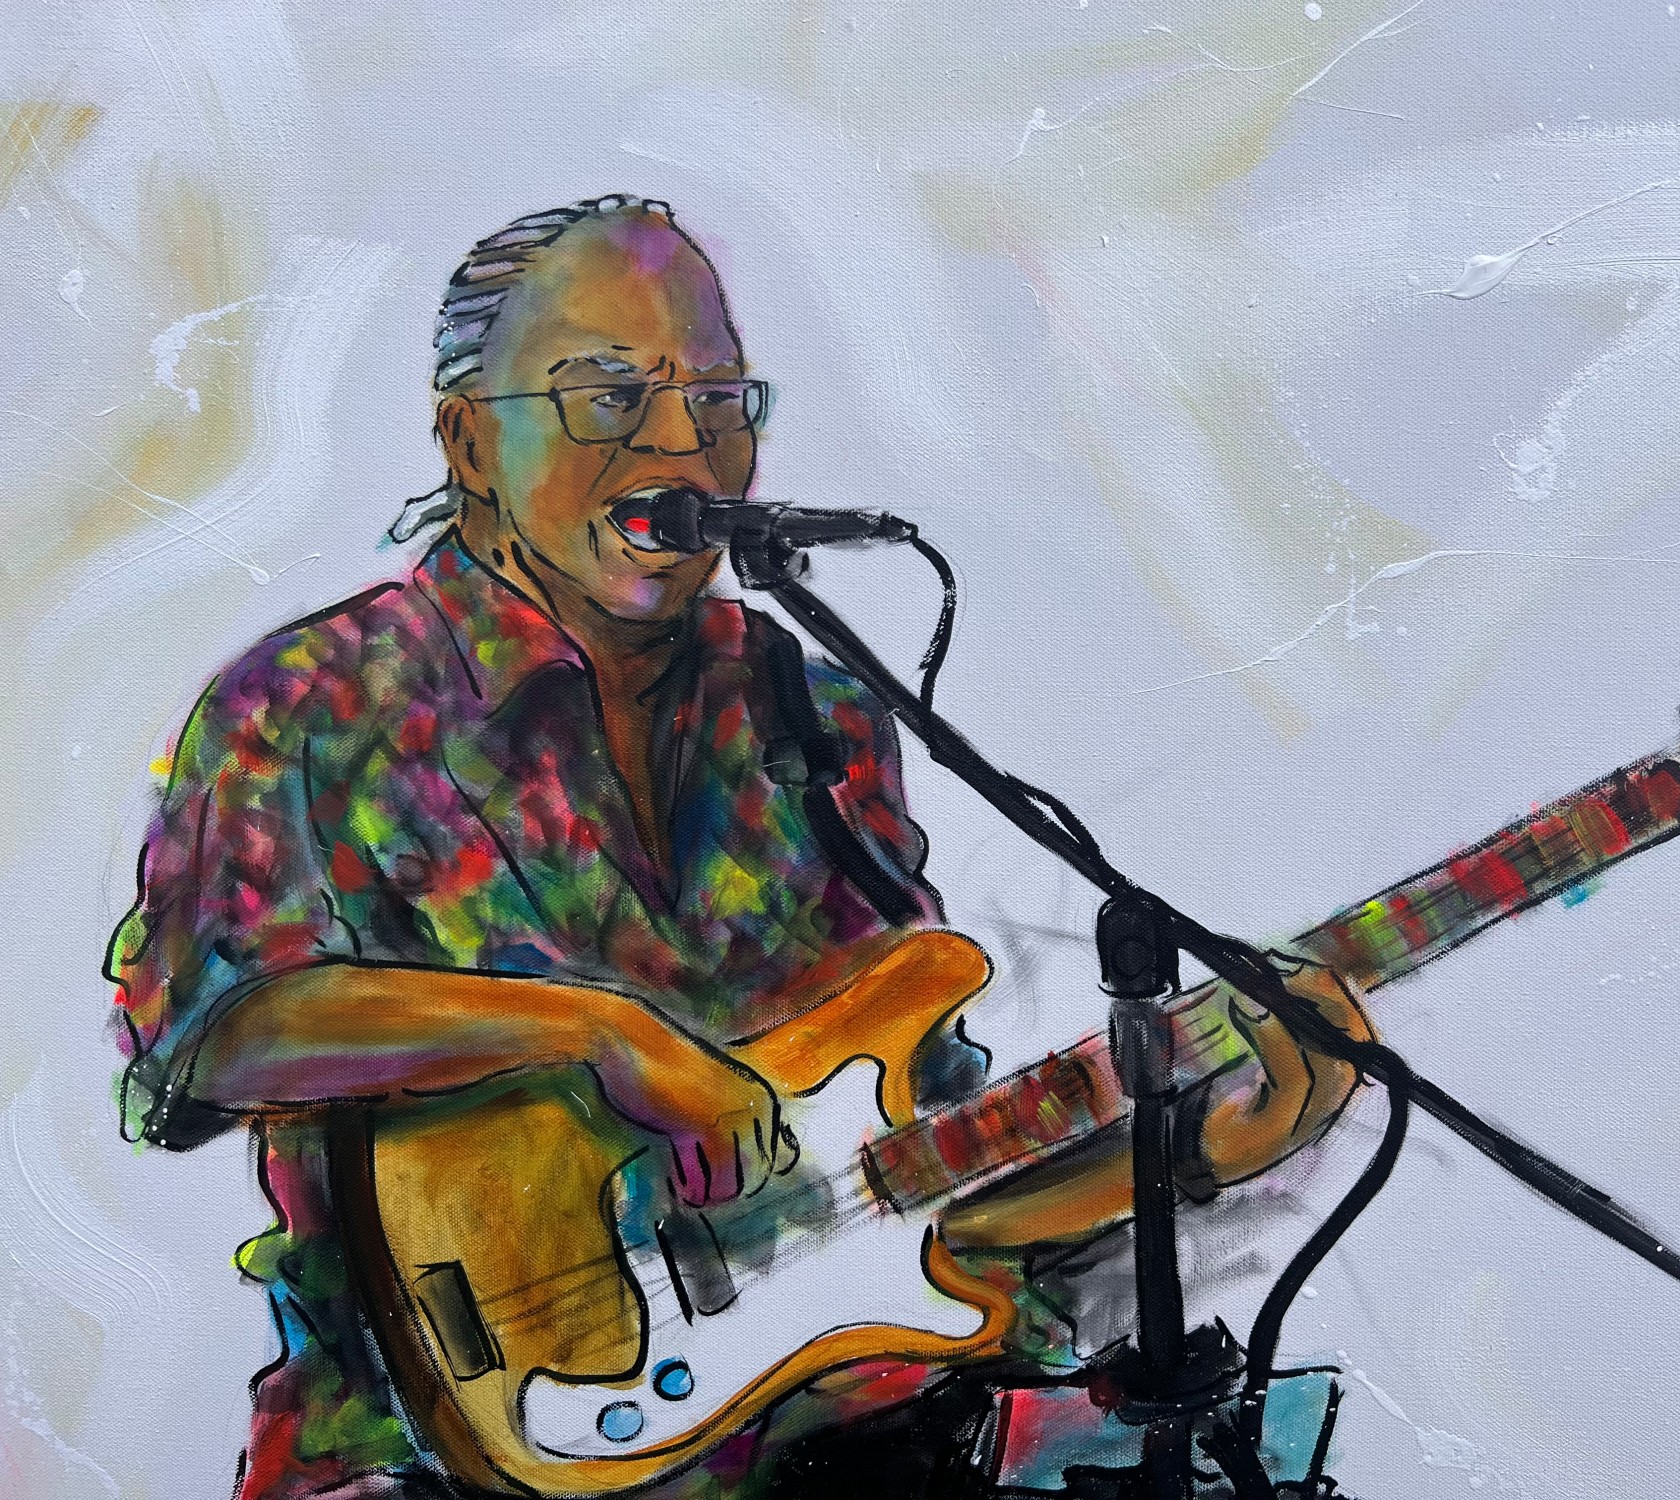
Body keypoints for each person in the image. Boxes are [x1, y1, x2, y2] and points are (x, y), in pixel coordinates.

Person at [106, 194, 1373, 1500]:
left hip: (841, 1453)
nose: (682, 448)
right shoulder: (317, 701)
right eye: (610, 396)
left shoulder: (813, 716)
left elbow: (899, 1187)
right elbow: (211, 1036)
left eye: (719, 402)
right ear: (469, 440)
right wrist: (601, 1036)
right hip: (426, 1462)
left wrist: (1186, 1153)